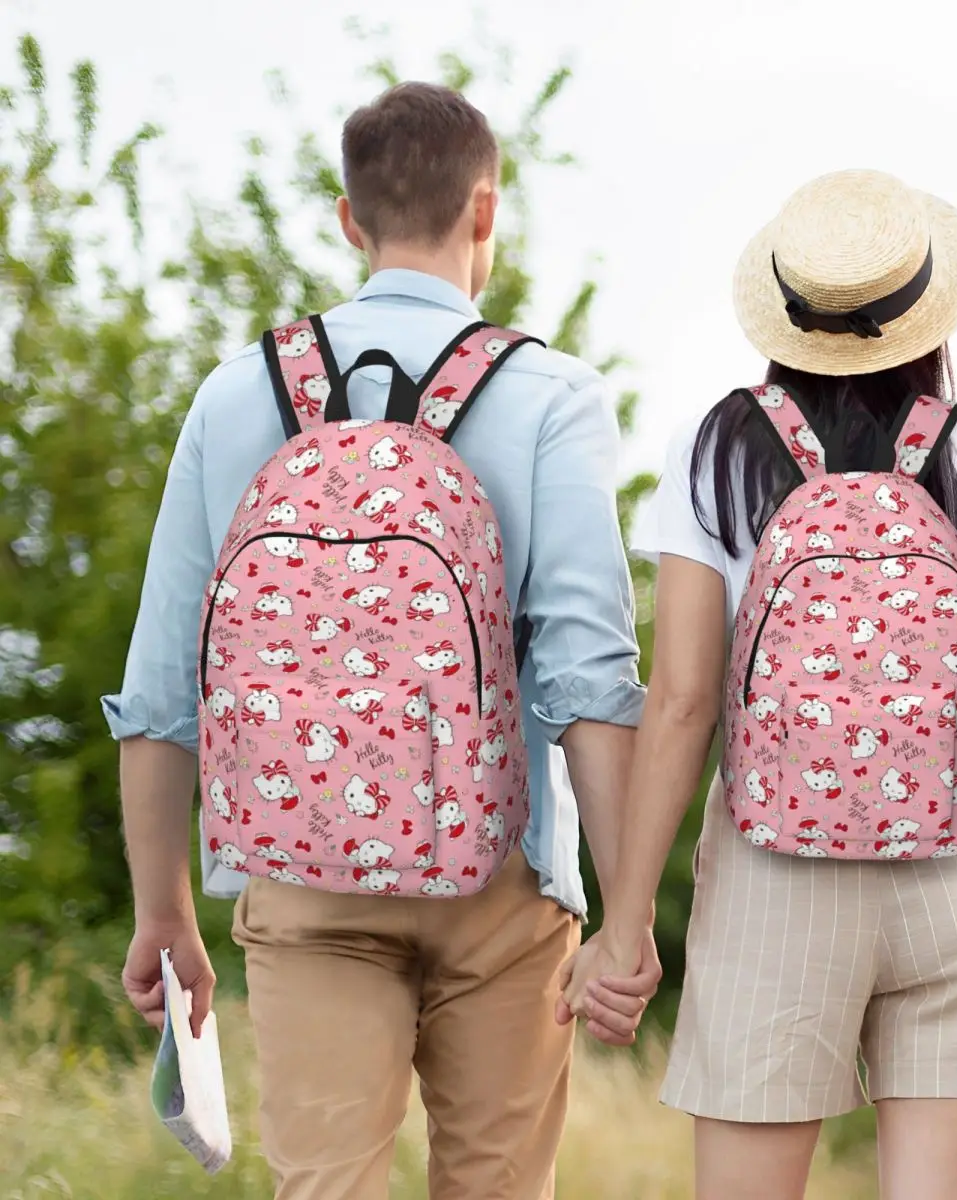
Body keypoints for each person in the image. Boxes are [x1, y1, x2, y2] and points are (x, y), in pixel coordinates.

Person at [105, 81, 661, 1200]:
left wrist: (163, 910)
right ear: (486, 212)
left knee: (325, 1186)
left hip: (300, 878)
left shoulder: (236, 394)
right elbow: (589, 678)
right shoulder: (550, 394)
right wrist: (627, 915)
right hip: (502, 876)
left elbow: (165, 683)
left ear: (349, 219)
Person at [559, 169, 957, 1200]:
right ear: (924, 313)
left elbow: (681, 705)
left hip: (773, 882)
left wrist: (624, 927)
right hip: (955, 885)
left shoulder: (717, 451)